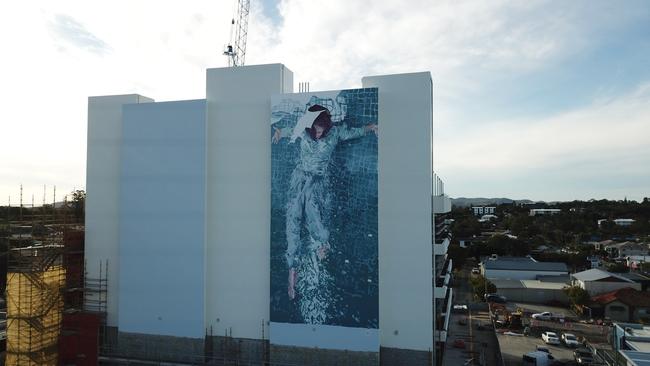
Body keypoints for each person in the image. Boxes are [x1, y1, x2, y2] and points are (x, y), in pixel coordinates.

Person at [272, 104, 377, 300]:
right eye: (315, 130)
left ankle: (322, 242)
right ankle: (291, 267)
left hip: (317, 180)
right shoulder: (303, 131)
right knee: (293, 217)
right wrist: (279, 133)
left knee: (312, 208)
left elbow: (353, 133)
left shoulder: (335, 133)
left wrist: (370, 128)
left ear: (326, 127)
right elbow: (287, 131)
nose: (318, 134)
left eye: (321, 131)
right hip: (299, 178)